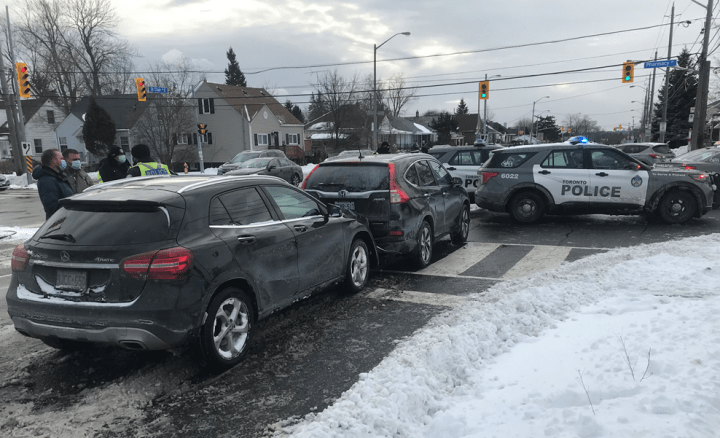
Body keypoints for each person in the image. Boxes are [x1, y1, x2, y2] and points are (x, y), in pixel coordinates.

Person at [33, 149, 74, 219]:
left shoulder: (58, 177)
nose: (64, 160)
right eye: (61, 158)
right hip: (60, 222)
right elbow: (52, 207)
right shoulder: (47, 180)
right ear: (53, 161)